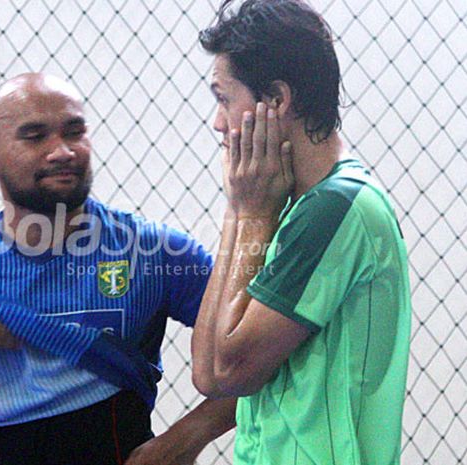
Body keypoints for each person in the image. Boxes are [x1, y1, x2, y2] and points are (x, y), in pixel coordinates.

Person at [0, 73, 238, 465]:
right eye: (35, 135)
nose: (62, 151)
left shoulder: (153, 251)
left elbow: (259, 355)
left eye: (74, 131)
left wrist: (183, 441)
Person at [191, 1, 411, 464]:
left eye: (223, 98)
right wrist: (241, 209)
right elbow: (208, 372)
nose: (218, 122)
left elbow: (228, 370)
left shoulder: (336, 207)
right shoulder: (294, 207)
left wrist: (247, 213)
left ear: (275, 100)